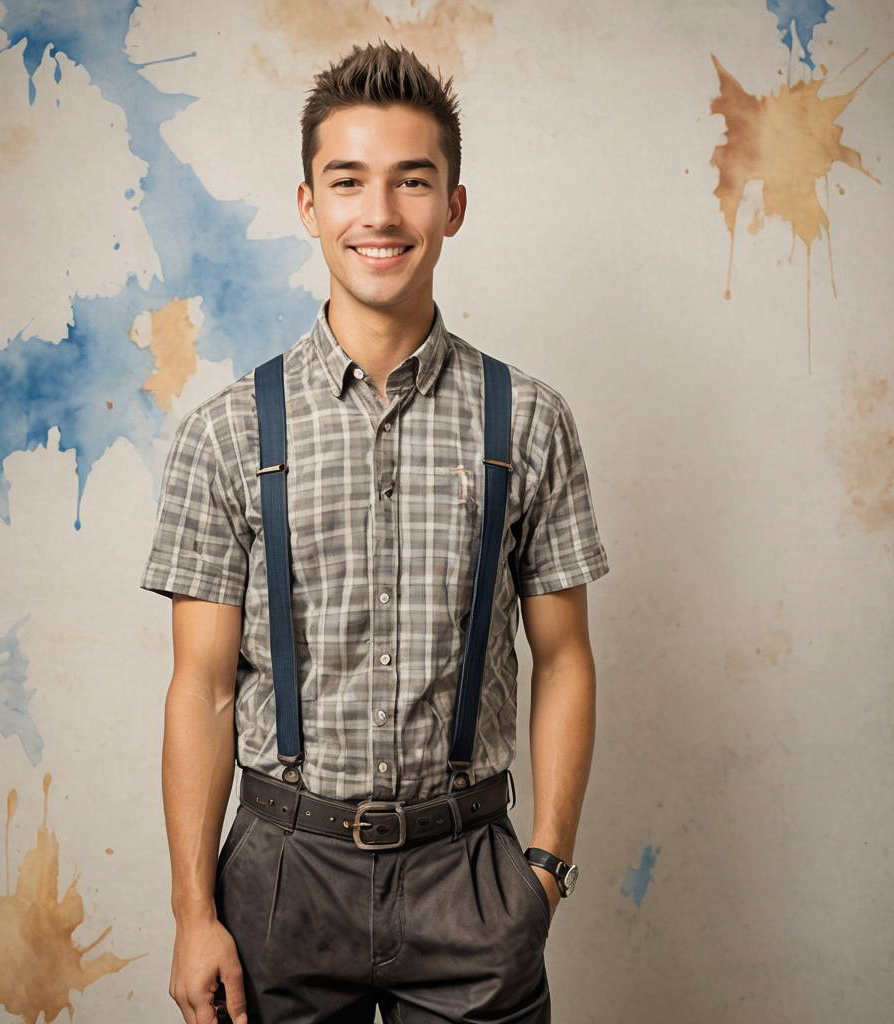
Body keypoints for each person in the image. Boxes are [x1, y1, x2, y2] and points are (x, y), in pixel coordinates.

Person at [139, 39, 610, 1024]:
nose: (380, 214)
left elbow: (563, 656)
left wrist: (545, 870)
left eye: (412, 181)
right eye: (348, 181)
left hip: (472, 875)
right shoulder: (227, 431)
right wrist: (193, 910)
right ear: (310, 204)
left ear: (454, 206)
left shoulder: (526, 421)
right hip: (280, 877)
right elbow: (203, 684)